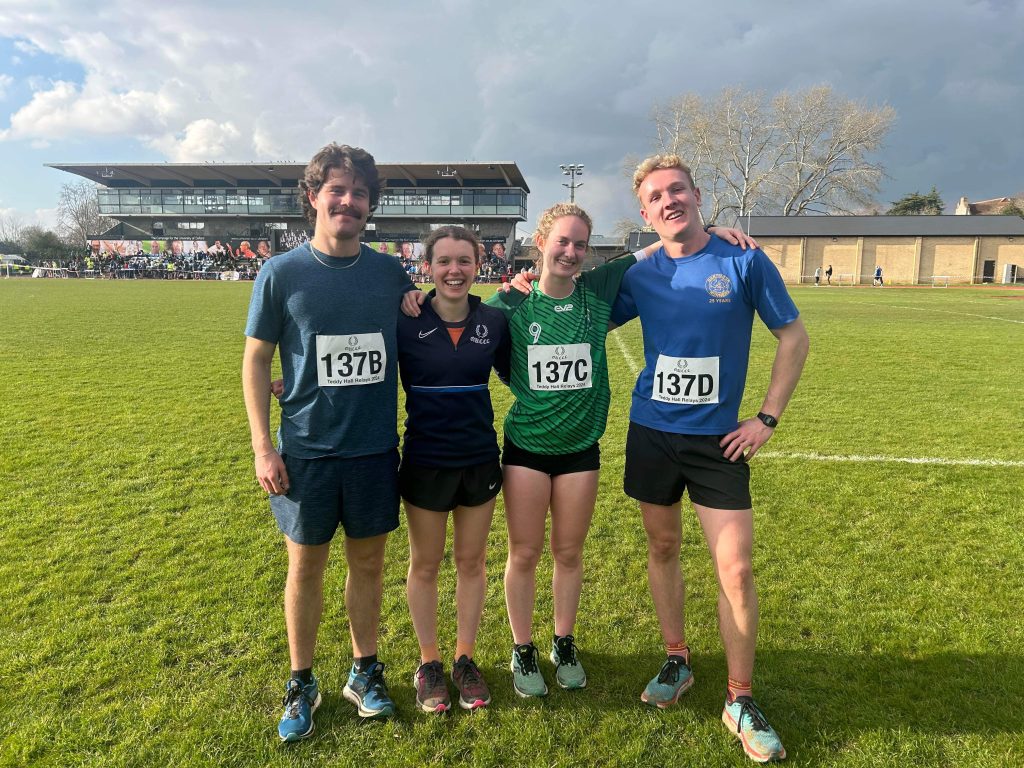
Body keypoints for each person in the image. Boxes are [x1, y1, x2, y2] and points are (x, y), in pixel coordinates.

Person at [611, 154, 808, 763]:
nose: (669, 201)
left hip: (719, 442)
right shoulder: (638, 277)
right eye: (655, 197)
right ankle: (677, 659)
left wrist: (766, 418)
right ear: (645, 213)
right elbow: (576, 303)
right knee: (662, 547)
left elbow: (794, 337)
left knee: (737, 570)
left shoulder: (743, 259)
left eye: (677, 190)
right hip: (652, 432)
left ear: (699, 195)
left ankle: (741, 697)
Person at [243, 142, 414, 742]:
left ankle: (364, 671)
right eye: (337, 190)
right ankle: (302, 680)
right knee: (306, 566)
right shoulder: (281, 272)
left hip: (372, 448)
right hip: (307, 451)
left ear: (370, 206)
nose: (348, 201)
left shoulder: (390, 273)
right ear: (313, 197)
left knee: (368, 564)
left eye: (360, 193)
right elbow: (255, 359)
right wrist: (264, 447)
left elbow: (437, 309)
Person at [397, 226, 511, 713]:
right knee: (425, 563)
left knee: (471, 561)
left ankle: (465, 659)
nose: (454, 270)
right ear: (429, 267)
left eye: (464, 260)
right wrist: (295, 379)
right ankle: (430, 663)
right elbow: (363, 362)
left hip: (480, 459)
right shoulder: (404, 319)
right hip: (425, 460)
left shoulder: (494, 320)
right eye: (443, 261)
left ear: (478, 264)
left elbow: (517, 371)